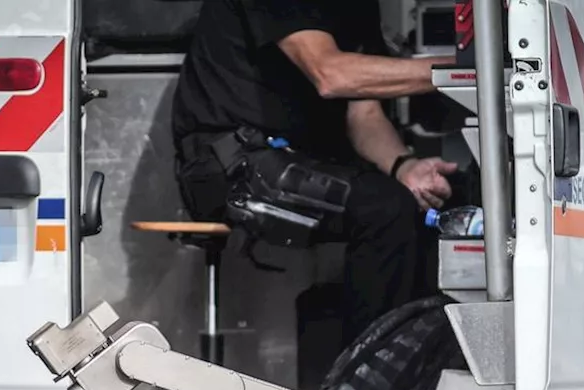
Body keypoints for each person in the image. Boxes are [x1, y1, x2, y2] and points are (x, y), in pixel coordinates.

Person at [171, 0, 459, 344]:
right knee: (385, 209)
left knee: (434, 211)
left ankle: (412, 369)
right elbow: (331, 75)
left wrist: (404, 166)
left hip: (290, 158)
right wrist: (468, 68)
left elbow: (363, 113)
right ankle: (366, 384)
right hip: (227, 164)